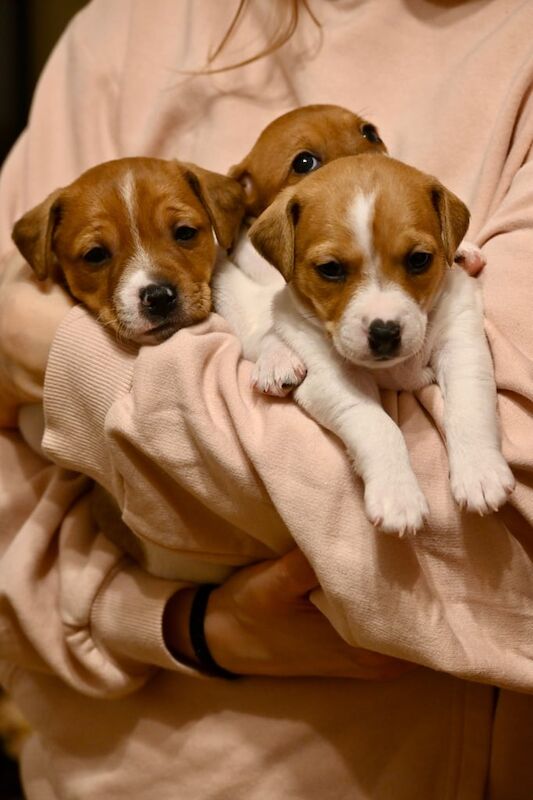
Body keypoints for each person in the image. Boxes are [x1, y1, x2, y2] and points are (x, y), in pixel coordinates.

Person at [0, 1, 532, 798]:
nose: (360, 167)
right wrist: (179, 623)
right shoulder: (119, 31)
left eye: (185, 234)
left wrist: (55, 353)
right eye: (98, 256)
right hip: (111, 766)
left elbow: (492, 534)